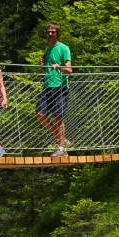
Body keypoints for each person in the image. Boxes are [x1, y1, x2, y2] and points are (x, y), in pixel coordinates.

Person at [34, 22, 72, 156]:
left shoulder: (64, 48)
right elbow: (46, 70)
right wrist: (42, 66)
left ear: (57, 33)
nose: (50, 34)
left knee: (57, 117)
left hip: (60, 87)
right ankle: (61, 139)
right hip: (47, 86)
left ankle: (61, 148)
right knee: (40, 115)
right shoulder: (47, 49)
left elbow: (69, 70)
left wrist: (59, 66)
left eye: (53, 32)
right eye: (48, 32)